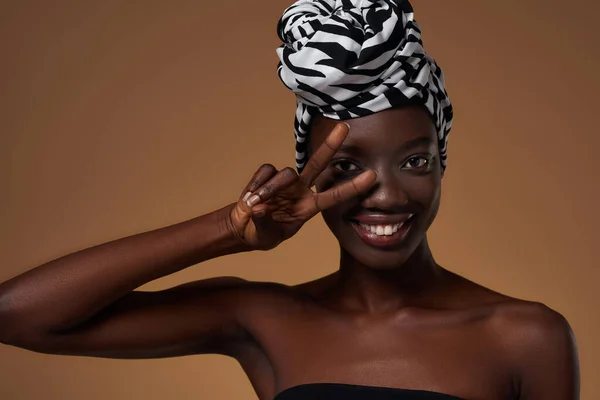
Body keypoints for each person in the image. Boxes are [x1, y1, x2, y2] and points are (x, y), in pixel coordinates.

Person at [0, 1, 579, 399]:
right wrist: (227, 230)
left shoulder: (525, 336)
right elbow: (19, 316)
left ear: (442, 162)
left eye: (414, 161)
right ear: (311, 178)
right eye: (348, 167)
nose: (385, 194)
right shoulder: (265, 320)